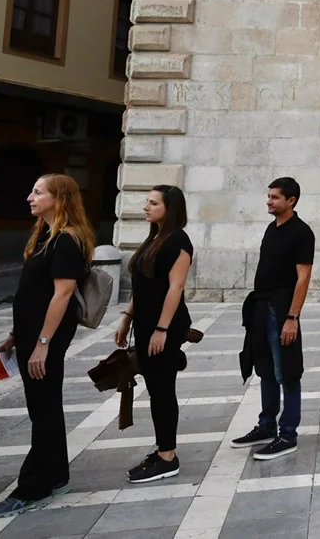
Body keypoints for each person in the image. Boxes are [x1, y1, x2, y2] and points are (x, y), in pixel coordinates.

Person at [0, 175, 93, 518]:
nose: (30, 197)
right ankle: (57, 474)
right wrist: (17, 334)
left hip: (46, 338)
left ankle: (32, 488)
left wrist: (42, 344)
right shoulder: (45, 236)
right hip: (32, 334)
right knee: (45, 407)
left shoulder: (66, 240)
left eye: (38, 192)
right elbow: (34, 293)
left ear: (58, 198)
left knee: (43, 411)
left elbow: (62, 294)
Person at [232, 178, 315, 460]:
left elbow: (303, 278)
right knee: (265, 370)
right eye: (268, 196)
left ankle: (288, 433)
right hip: (260, 306)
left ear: (291, 200)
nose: (269, 201)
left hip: (281, 310)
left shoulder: (302, 233)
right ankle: (266, 425)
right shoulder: (271, 228)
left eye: (275, 197)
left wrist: (292, 317)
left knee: (287, 372)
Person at [116, 186, 194, 483]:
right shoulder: (154, 238)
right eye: (146, 201)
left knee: (162, 391)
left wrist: (162, 329)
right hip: (146, 325)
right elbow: (143, 284)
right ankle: (163, 449)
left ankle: (167, 457)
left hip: (165, 327)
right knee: (156, 389)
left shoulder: (179, 242)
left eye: (152, 202)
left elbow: (175, 288)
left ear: (169, 208)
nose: (145, 206)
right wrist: (127, 318)